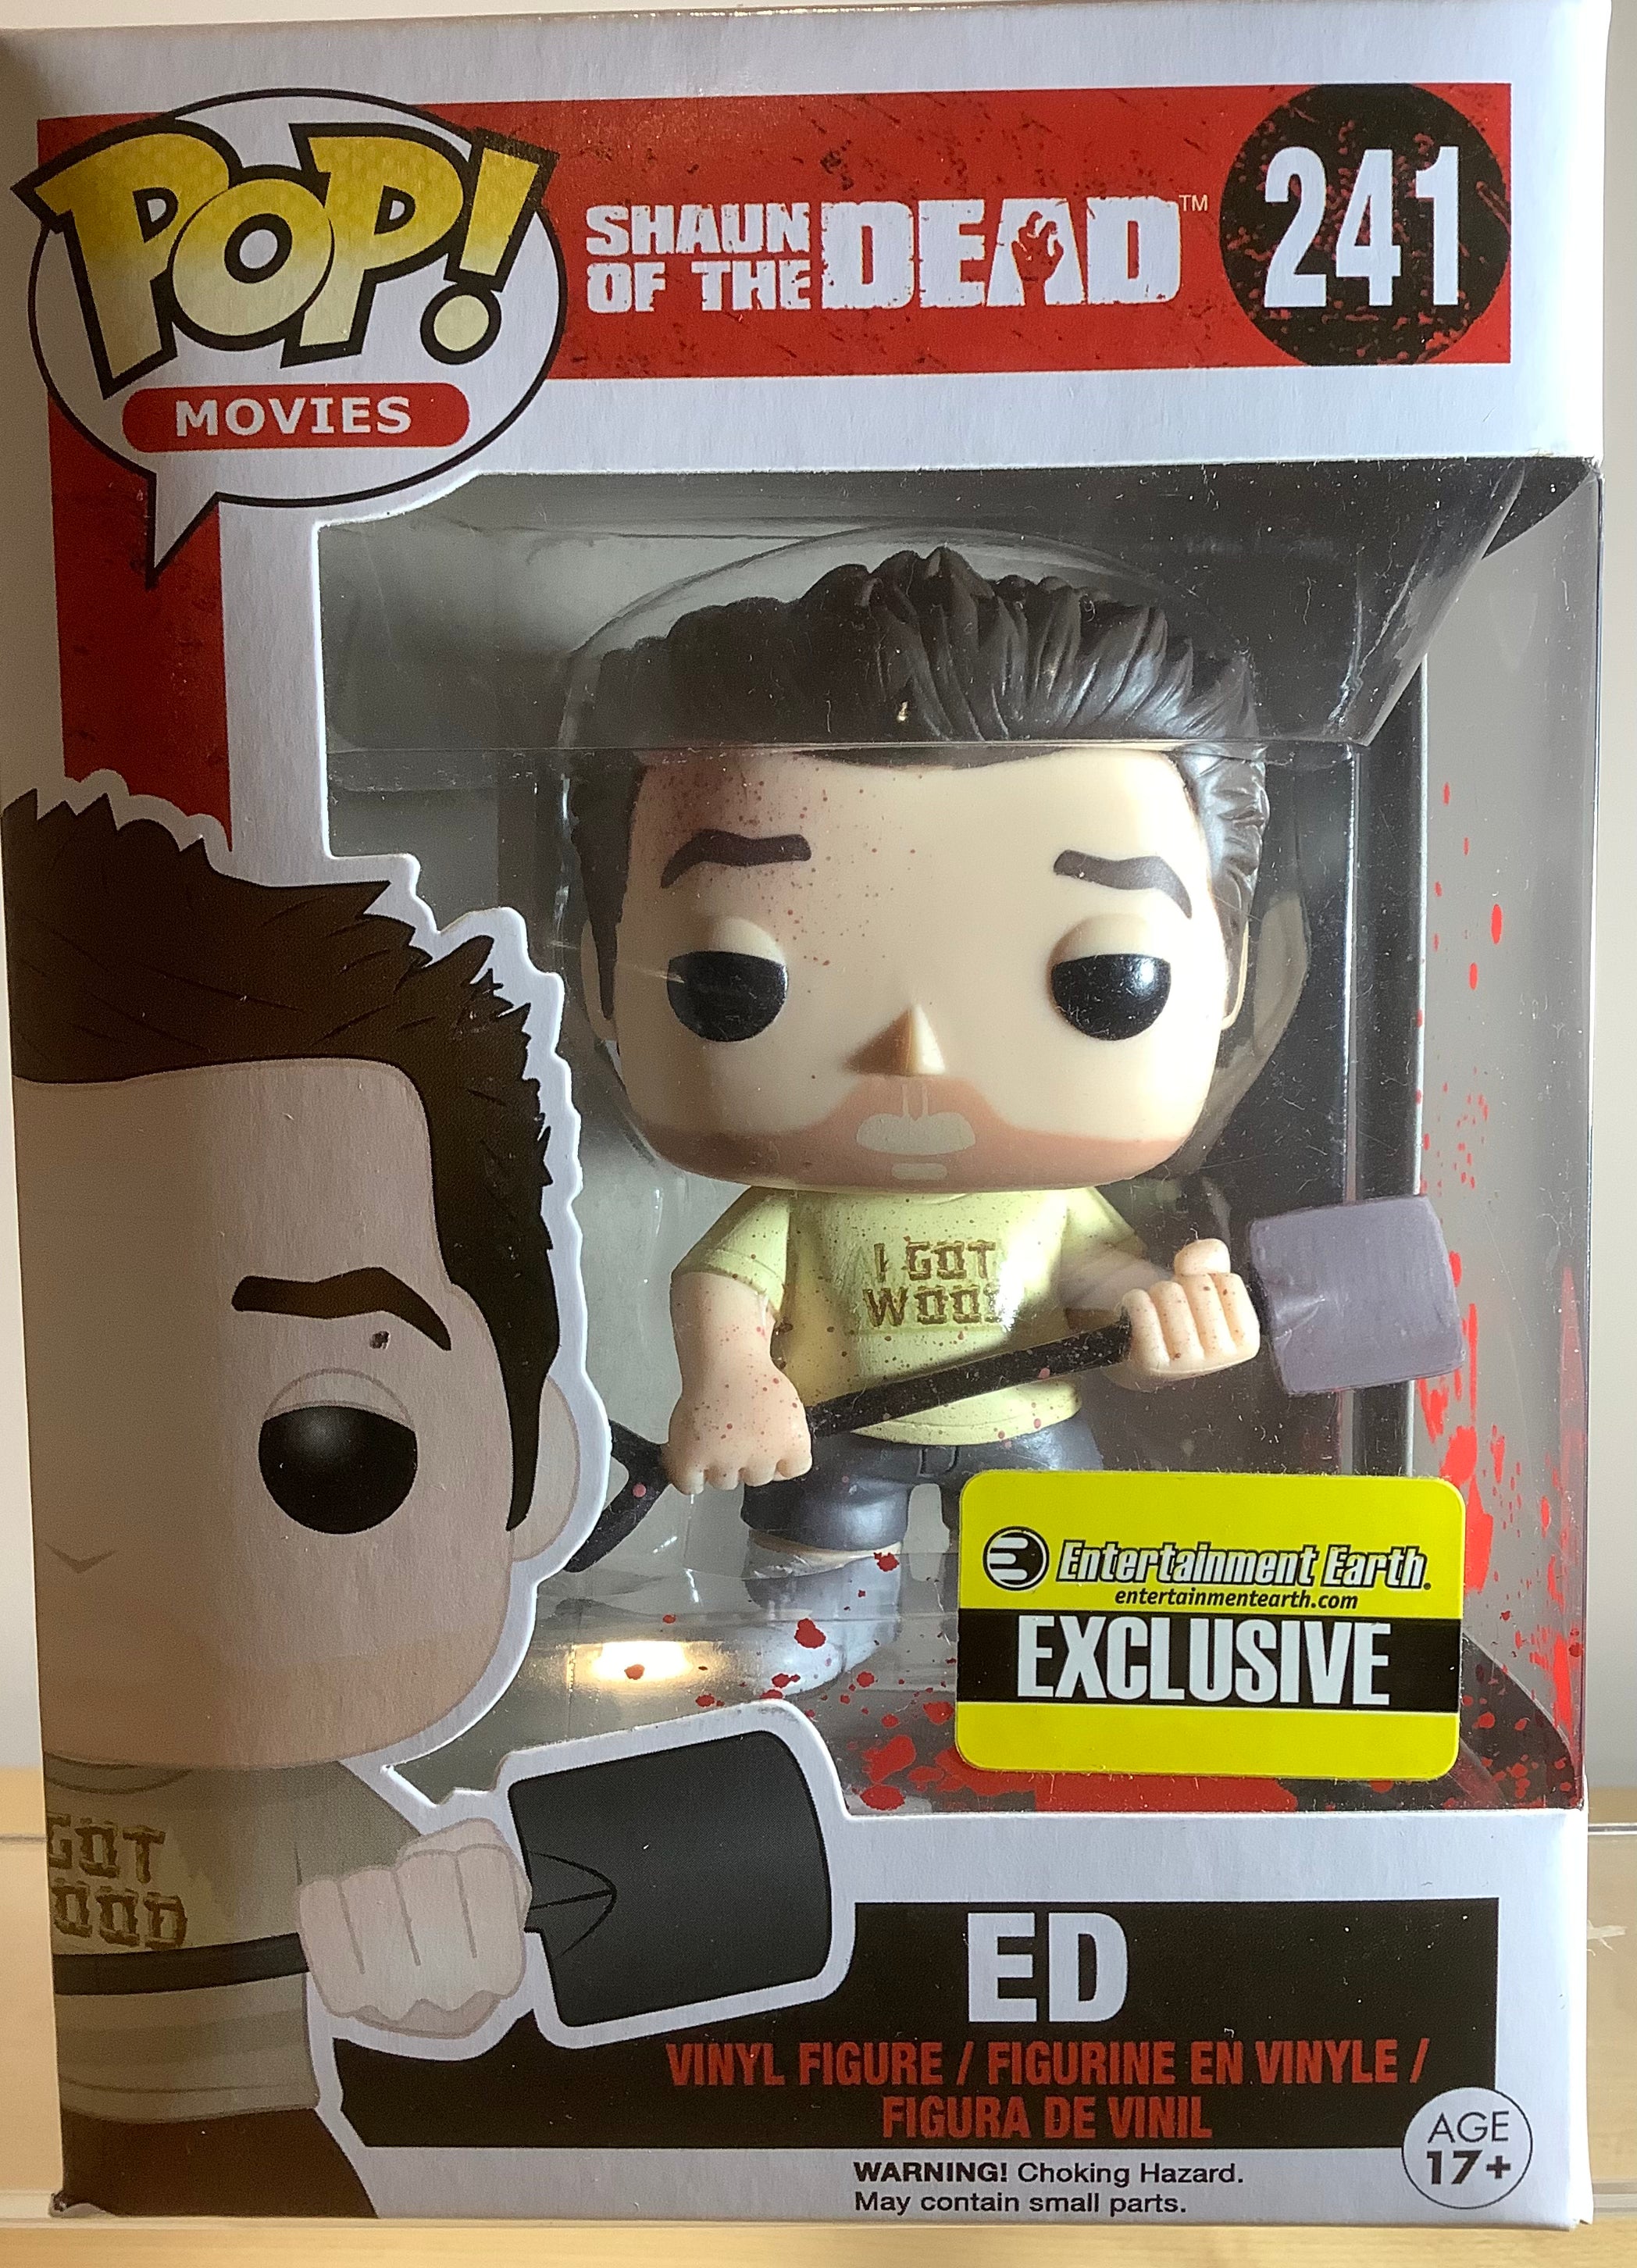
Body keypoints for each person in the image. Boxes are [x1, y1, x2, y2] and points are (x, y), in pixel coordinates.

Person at [3, 792, 580, 2213]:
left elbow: (459, 1988)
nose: (85, 1538)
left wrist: (453, 1972)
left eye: (327, 1443)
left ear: (536, 1466)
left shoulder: (322, 1827)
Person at [571, 547, 1267, 1557]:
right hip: (837, 1446)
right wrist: (734, 1377)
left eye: (1106, 981)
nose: (915, 1055)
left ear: (1229, 976)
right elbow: (722, 1289)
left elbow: (1100, 1287)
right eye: (733, 982)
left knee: (1056, 1602)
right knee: (809, 1597)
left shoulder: (1052, 1208)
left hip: (1031, 1436)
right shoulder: (797, 1209)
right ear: (602, 978)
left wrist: (1162, 1327)